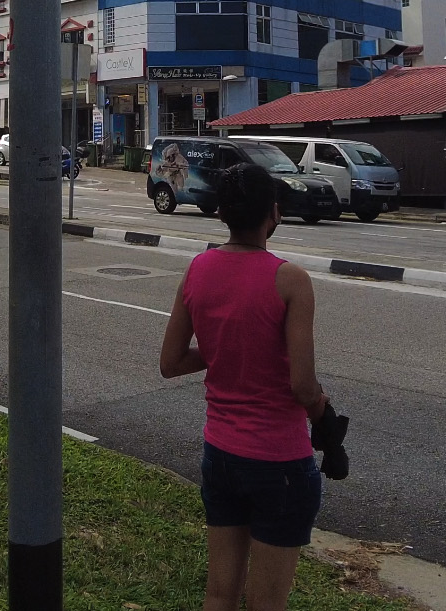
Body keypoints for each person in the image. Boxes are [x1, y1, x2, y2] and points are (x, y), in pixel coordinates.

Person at [160, 161, 328, 611]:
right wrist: (325, 419)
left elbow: (171, 362)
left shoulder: (198, 270)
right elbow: (303, 385)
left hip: (221, 456)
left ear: (220, 214)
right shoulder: (291, 280)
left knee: (219, 595)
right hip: (280, 464)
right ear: (273, 213)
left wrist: (222, 351)